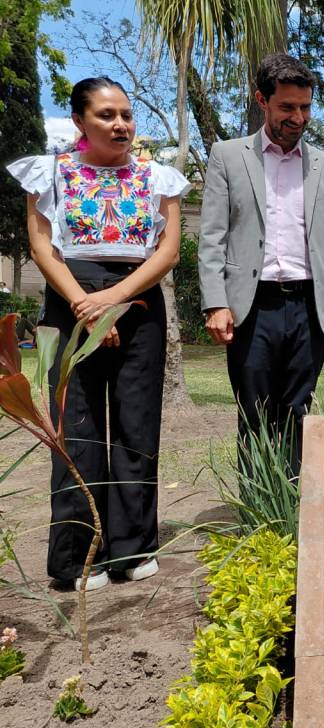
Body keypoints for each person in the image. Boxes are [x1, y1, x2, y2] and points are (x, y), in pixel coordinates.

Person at [6, 76, 189, 590]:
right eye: (107, 115)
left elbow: (167, 252)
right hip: (71, 299)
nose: (121, 124)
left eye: (127, 115)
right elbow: (43, 248)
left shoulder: (160, 178)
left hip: (137, 300)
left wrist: (111, 300)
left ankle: (132, 549)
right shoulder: (52, 174)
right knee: (77, 429)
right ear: (80, 121)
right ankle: (77, 557)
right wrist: (85, 305)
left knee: (136, 426)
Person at [199, 54, 324, 477]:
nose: (298, 117)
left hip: (308, 307)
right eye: (287, 107)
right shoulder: (227, 157)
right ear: (261, 101)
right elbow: (212, 237)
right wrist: (215, 303)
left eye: (305, 107)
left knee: (298, 411)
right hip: (252, 307)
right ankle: (258, 516)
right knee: (253, 413)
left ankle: (294, 510)